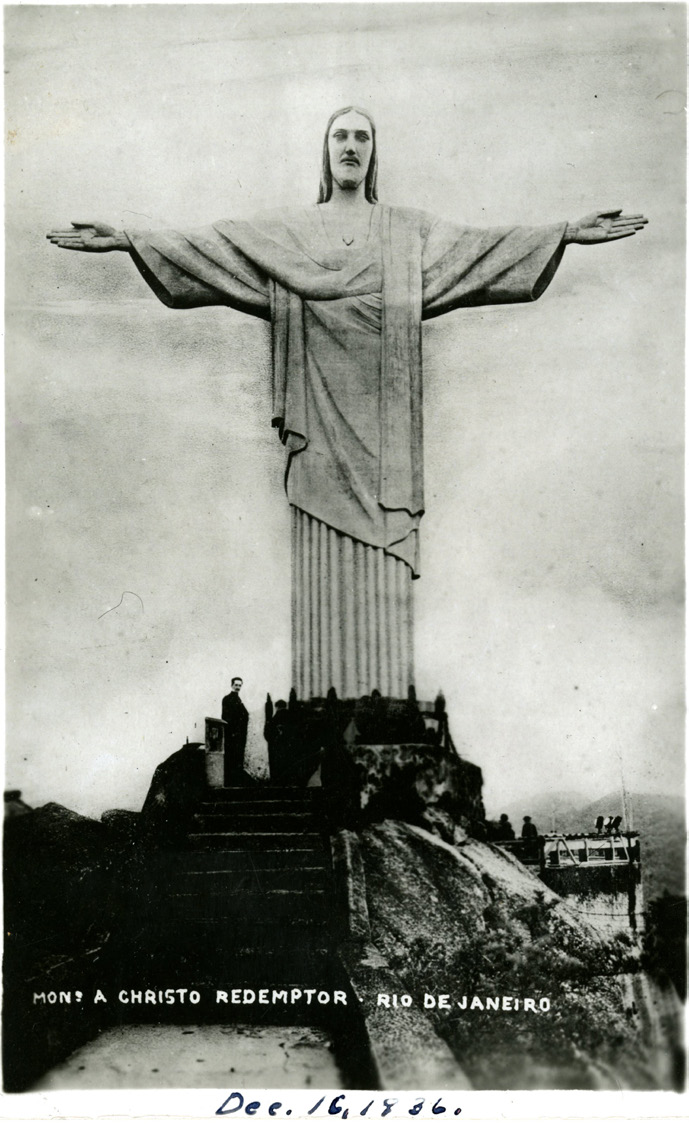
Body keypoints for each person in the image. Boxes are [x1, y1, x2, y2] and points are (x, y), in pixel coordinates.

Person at [47, 107, 647, 701]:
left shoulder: (407, 234)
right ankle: (320, 710)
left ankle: (381, 706)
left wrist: (564, 231)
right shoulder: (287, 236)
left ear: (374, 151)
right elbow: (215, 249)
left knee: (384, 548)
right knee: (319, 552)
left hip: (384, 429)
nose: (351, 146)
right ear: (325, 150)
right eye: (340, 135)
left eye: (362, 136)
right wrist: (130, 239)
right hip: (317, 419)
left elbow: (479, 251)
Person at [221, 676, 249, 783]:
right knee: (232, 757)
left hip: (240, 736)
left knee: (238, 758)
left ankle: (237, 780)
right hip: (232, 735)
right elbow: (227, 717)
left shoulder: (238, 699)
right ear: (231, 685)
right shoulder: (227, 699)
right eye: (236, 685)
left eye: (240, 685)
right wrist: (233, 732)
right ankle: (231, 781)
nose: (238, 687)